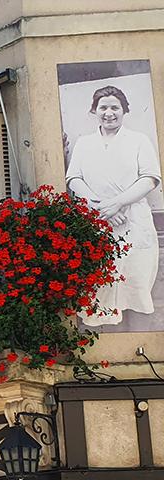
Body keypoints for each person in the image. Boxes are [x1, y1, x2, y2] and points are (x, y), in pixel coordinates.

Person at [66, 85, 162, 326]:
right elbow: (74, 178)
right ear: (94, 111)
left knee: (135, 284)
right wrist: (101, 210)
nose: (109, 112)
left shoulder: (139, 140)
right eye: (103, 107)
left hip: (132, 219)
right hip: (97, 221)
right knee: (100, 288)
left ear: (124, 110)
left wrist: (117, 204)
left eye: (114, 107)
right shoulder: (84, 143)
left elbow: (150, 178)